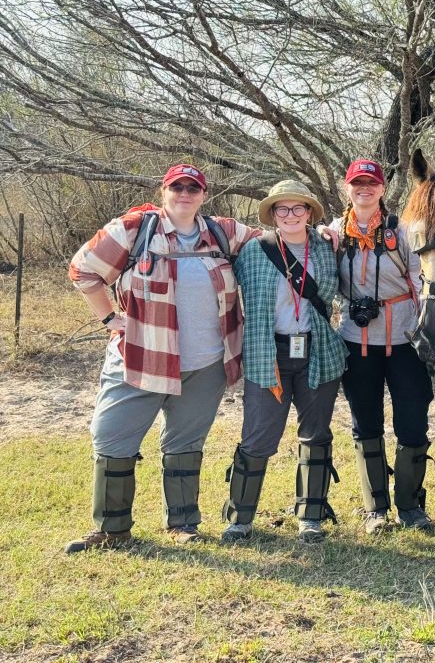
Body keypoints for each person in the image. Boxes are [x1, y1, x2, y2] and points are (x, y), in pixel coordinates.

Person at [65, 163, 259, 553]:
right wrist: (108, 317)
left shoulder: (224, 232)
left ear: (204, 194)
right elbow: (83, 270)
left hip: (205, 363)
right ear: (163, 189)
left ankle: (183, 523)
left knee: (185, 442)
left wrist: (320, 231)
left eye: (193, 187)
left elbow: (279, 240)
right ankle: (112, 529)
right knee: (111, 436)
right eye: (177, 186)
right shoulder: (134, 230)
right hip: (141, 358)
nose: (185, 193)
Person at [221, 180, 347, 544]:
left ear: (309, 213)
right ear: (273, 214)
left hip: (318, 352)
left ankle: (311, 516)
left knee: (316, 434)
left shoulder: (326, 247)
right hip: (267, 353)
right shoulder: (252, 251)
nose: (291, 215)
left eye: (298, 209)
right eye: (282, 209)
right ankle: (240, 518)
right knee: (258, 437)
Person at [330, 159, 433, 534]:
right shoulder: (333, 234)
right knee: (365, 422)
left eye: (371, 183)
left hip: (405, 339)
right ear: (347, 187)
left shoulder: (402, 231)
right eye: (358, 183)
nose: (365, 189)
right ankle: (376, 508)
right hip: (357, 341)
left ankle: (410, 506)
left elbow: (423, 279)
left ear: (383, 189)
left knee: (412, 422)